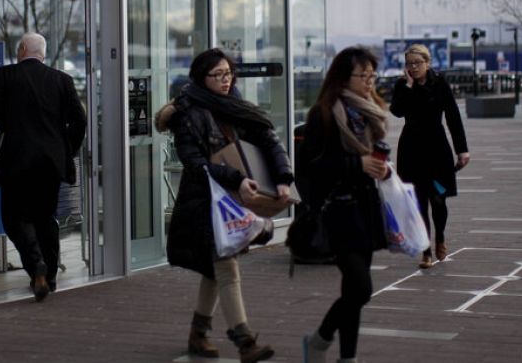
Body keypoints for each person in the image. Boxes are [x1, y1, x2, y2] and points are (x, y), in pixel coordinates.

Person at [161, 48, 292, 363]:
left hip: (233, 201)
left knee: (215, 271)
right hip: (206, 204)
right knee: (226, 268)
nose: (225, 80)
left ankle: (198, 334)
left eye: (228, 73)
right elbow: (195, 163)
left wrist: (284, 177)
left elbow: (269, 140)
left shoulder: (237, 107)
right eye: (217, 75)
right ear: (200, 78)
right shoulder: (188, 113)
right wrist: (234, 178)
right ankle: (245, 342)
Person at [0, 33, 87, 301]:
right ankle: (48, 277)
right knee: (45, 218)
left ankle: (36, 264)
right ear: (43, 53)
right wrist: (65, 151)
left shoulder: (5, 76)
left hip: (15, 162)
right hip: (50, 164)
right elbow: (80, 121)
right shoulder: (62, 80)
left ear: (22, 49)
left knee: (15, 218)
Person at [299, 46, 391, 363]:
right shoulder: (324, 113)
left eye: (371, 75)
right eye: (362, 75)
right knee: (361, 288)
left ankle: (346, 356)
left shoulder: (369, 109)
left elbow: (372, 156)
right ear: (343, 77)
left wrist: (382, 167)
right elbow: (312, 166)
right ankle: (320, 341)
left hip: (365, 209)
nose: (369, 81)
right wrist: (358, 165)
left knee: (352, 289)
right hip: (336, 211)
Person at [390, 43, 469, 269]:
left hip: (437, 149)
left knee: (438, 198)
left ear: (428, 62)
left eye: (417, 63)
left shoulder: (439, 83)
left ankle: (440, 237)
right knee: (419, 203)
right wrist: (407, 86)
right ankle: (426, 251)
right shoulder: (403, 85)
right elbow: (396, 111)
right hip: (411, 149)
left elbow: (453, 116)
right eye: (409, 64)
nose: (413, 68)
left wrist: (462, 149)